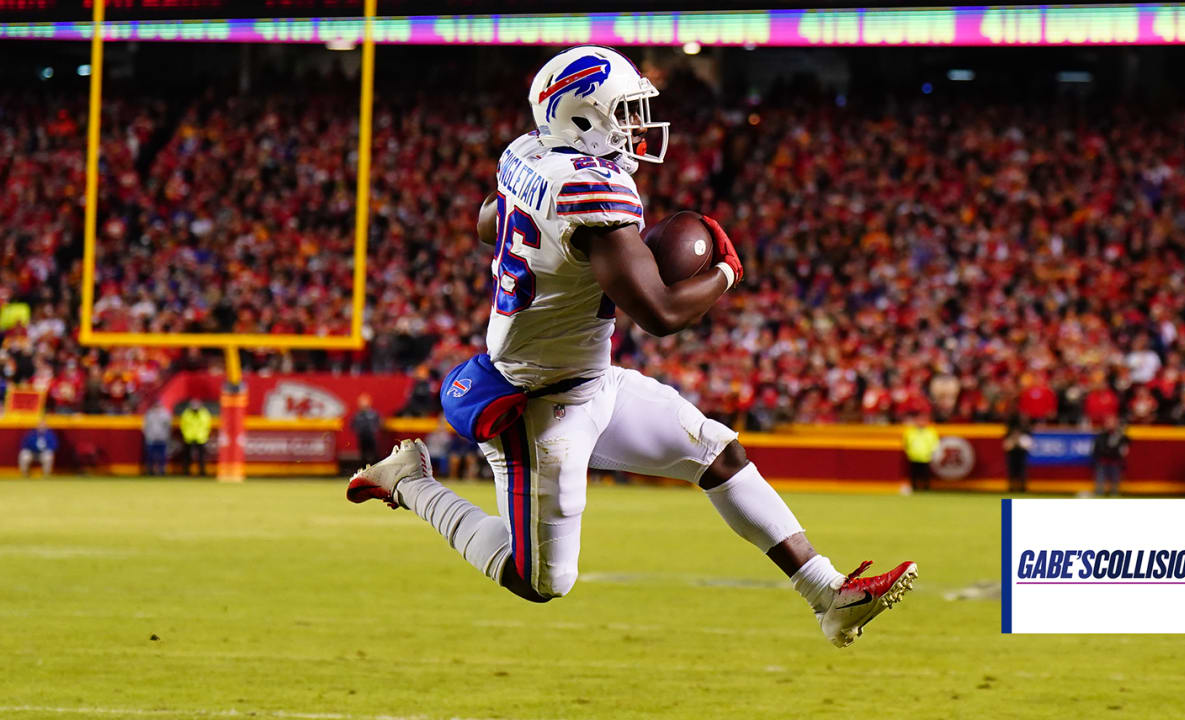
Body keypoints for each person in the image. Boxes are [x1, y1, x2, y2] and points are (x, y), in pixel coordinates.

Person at [346, 45, 916, 649]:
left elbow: (491, 218)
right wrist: (725, 271)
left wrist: (550, 244)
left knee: (717, 454)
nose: (638, 125)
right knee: (538, 580)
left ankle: (829, 594)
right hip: (540, 401)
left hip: (590, 378)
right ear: (583, 117)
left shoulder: (528, 155)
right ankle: (411, 482)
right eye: (625, 110)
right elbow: (660, 315)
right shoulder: (589, 196)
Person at [1092, 415, 1129, 496]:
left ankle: (1114, 492)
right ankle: (1099, 492)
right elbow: (1098, 447)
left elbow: (1126, 443)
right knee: (1100, 478)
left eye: (1113, 423)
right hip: (1103, 460)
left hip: (1115, 460)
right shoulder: (1101, 434)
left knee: (1115, 478)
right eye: (1109, 423)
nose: (1110, 424)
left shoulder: (1120, 435)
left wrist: (1121, 434)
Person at [902, 412, 940, 492]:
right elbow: (906, 443)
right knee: (914, 474)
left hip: (925, 456)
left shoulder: (930, 432)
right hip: (913, 456)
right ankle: (914, 488)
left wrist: (932, 453)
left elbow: (934, 444)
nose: (921, 422)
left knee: (925, 474)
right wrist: (908, 452)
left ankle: (926, 488)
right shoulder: (910, 431)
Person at [178, 399, 213, 476]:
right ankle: (186, 472)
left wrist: (204, 435)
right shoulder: (187, 414)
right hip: (189, 437)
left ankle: (202, 472)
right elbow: (183, 425)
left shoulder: (204, 414)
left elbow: (207, 426)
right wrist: (185, 434)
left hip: (200, 438)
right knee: (187, 457)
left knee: (201, 457)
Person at [1003, 413, 1033, 493]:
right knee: (1012, 469)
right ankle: (1012, 486)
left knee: (1022, 469)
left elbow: (1029, 439)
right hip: (1012, 450)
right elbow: (1006, 440)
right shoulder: (1010, 427)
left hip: (1022, 450)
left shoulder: (1026, 429)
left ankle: (1022, 486)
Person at [350, 394, 382, 468]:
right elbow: (352, 425)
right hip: (362, 437)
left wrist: (374, 430)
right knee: (363, 455)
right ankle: (363, 468)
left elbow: (378, 423)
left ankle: (375, 468)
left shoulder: (373, 414)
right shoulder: (358, 415)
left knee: (374, 454)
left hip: (371, 437)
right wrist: (358, 430)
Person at [142, 403, 172, 476]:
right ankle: (150, 470)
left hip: (162, 438)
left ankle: (162, 470)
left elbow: (168, 427)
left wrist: (166, 436)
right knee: (150, 455)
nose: (157, 408)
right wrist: (147, 436)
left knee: (162, 456)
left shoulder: (165, 414)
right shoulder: (149, 414)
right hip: (151, 438)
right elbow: (145, 426)